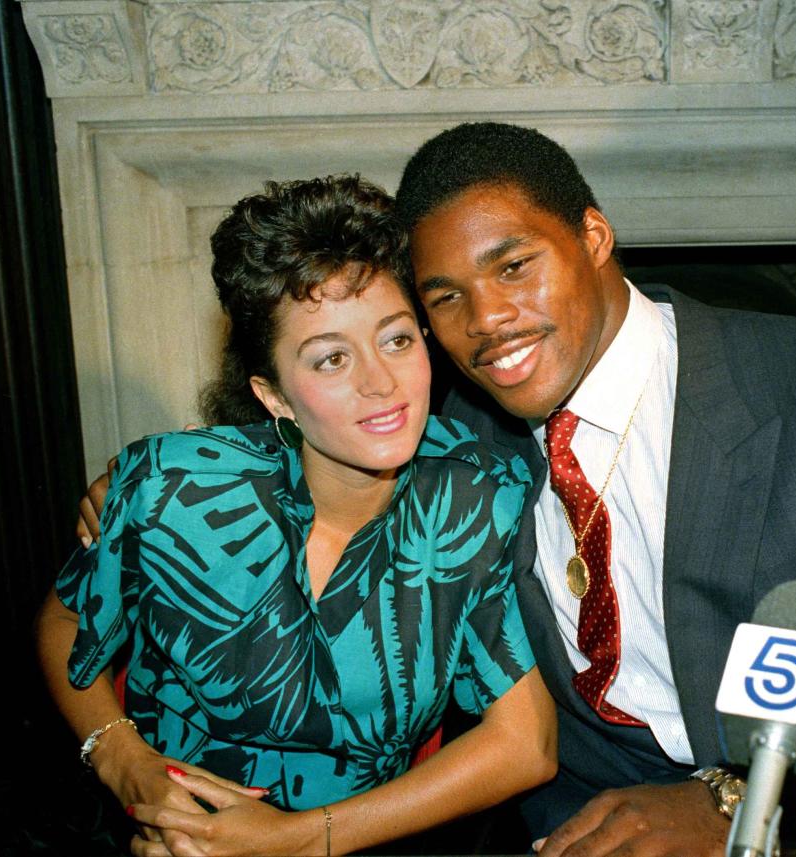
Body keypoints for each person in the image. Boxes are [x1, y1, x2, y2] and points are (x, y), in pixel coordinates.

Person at [79, 125, 796, 855]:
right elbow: (319, 421)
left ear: (594, 237)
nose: (486, 324)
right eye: (442, 299)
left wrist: (731, 803)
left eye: (513, 266)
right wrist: (135, 485)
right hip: (581, 823)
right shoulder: (457, 433)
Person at [41, 174, 556, 856]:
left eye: (397, 340)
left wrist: (294, 840)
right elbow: (65, 620)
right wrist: (120, 759)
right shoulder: (174, 488)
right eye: (332, 358)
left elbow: (528, 744)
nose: (381, 382)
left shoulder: (473, 499)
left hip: (358, 839)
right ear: (272, 394)